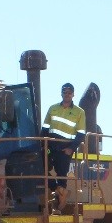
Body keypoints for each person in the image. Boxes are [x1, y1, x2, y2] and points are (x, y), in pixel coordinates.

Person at [41, 82, 86, 210]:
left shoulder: (79, 112)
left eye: (69, 92)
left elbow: (81, 133)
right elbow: (44, 128)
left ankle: (60, 198)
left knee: (62, 173)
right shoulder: (52, 108)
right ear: (61, 93)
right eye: (64, 92)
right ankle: (59, 190)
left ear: (73, 94)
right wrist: (44, 145)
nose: (67, 94)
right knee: (41, 165)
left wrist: (71, 149)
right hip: (51, 147)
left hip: (65, 149)